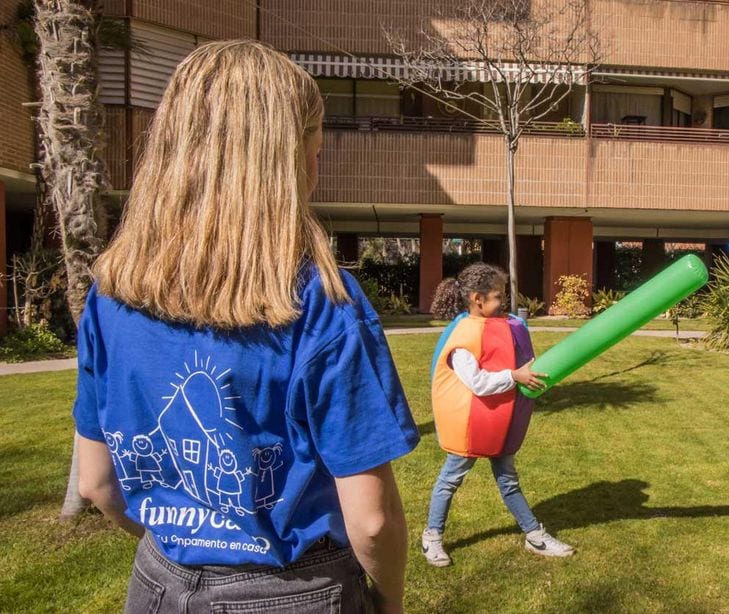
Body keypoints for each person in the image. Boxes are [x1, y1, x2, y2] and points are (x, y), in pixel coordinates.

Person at [73, 40, 419, 613]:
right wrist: (388, 603)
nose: (316, 168)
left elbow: (97, 486)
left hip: (158, 583)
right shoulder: (322, 301)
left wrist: (189, 550)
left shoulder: (111, 296)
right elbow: (373, 520)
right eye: (314, 152)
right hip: (297, 591)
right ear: (283, 163)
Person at [421, 264, 575, 567]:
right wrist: (514, 376)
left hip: (497, 420)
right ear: (478, 299)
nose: (503, 300)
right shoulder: (465, 335)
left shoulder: (501, 325)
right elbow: (477, 382)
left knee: (508, 480)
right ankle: (432, 537)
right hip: (472, 422)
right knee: (450, 479)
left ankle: (534, 535)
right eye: (497, 296)